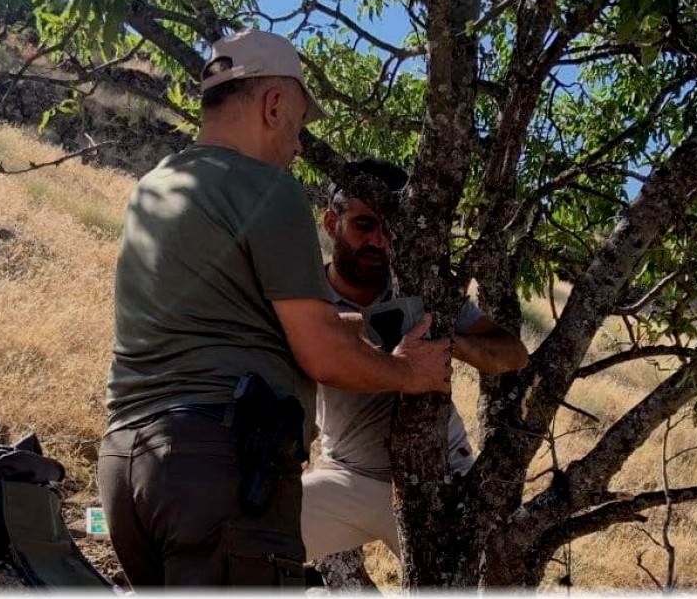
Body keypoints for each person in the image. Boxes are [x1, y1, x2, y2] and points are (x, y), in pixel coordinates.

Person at [96, 30, 452, 588]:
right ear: (275, 104)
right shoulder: (268, 188)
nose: (295, 144)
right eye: (298, 125)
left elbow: (231, 318)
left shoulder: (154, 188)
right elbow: (323, 357)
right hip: (221, 466)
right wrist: (411, 372)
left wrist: (349, 327)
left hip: (126, 467)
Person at [301, 159, 530, 562]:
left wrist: (447, 341)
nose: (378, 241)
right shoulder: (304, 298)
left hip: (442, 477)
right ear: (331, 224)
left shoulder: (423, 288)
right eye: (364, 225)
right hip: (347, 475)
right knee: (247, 539)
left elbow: (514, 354)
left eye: (390, 228)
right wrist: (382, 329)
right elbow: (306, 336)